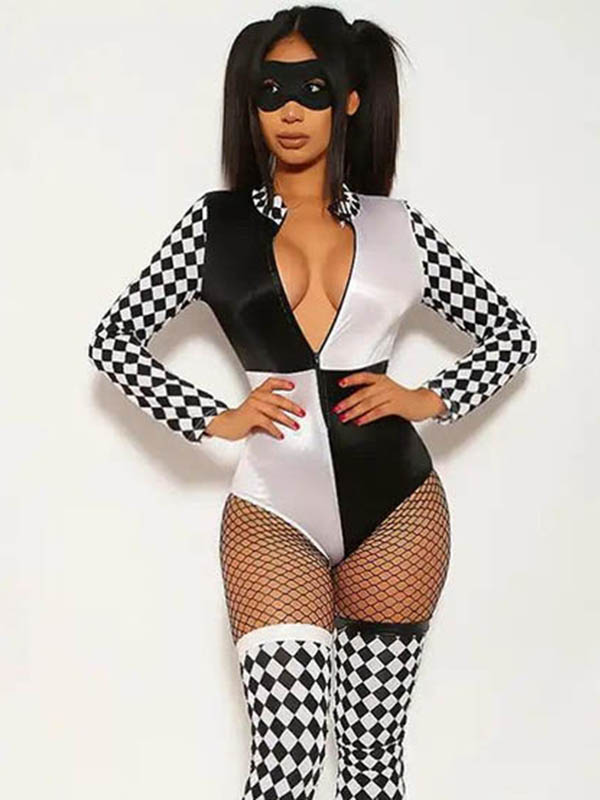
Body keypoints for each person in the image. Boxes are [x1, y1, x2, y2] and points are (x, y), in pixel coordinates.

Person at [88, 6, 538, 799]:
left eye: (312, 89)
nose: (289, 111)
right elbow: (114, 338)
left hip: (398, 509)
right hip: (272, 509)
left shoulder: (400, 228)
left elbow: (511, 333)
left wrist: (428, 396)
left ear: (350, 100)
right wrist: (211, 416)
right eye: (270, 91)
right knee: (287, 763)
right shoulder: (214, 225)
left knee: (371, 760)